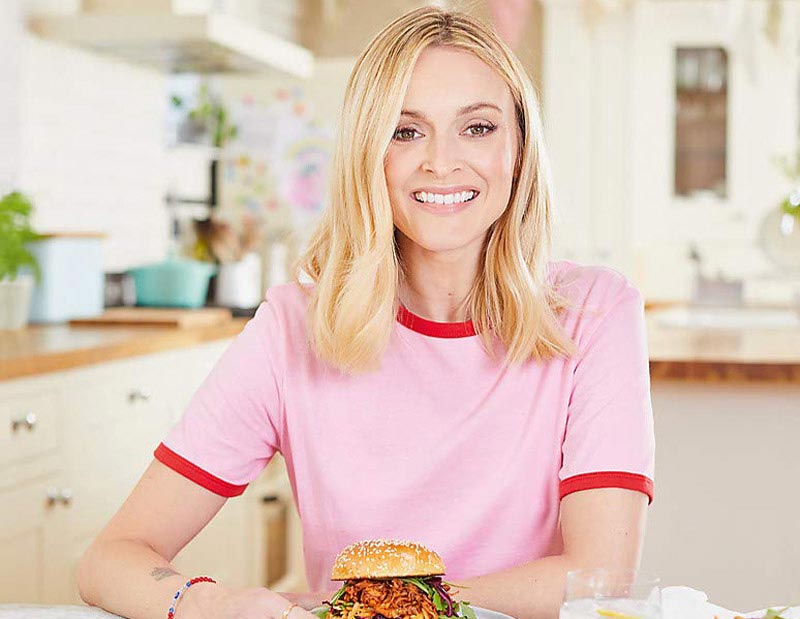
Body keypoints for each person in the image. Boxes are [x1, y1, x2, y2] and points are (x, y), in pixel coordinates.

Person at [77, 7, 654, 619]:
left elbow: (600, 574)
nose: (441, 161)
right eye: (405, 132)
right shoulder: (291, 328)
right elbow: (111, 558)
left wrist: (379, 608)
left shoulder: (596, 312)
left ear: (519, 148)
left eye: (477, 128)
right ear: (367, 154)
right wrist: (205, 604)